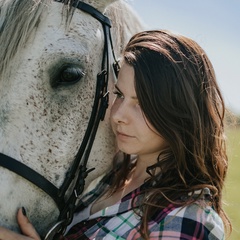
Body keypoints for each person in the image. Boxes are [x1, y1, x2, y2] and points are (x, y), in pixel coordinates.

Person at [0, 30, 231, 239]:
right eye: (120, 94)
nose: (118, 114)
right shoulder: (109, 175)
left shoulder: (188, 218)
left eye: (141, 103)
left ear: (180, 112)